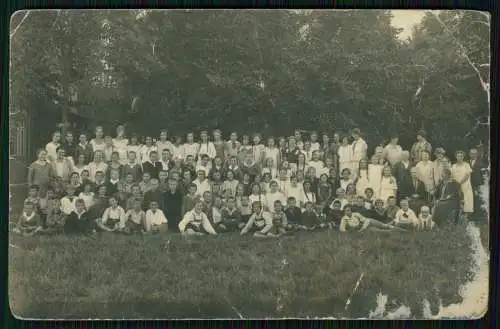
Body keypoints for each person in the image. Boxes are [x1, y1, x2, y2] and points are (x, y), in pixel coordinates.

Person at [451, 151, 474, 218]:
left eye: (461, 156)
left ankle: (467, 215)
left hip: (465, 184)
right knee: (458, 198)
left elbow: (467, 175)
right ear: (456, 157)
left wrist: (460, 182)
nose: (460, 157)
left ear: (463, 157)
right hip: (456, 185)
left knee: (467, 198)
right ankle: (458, 214)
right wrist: (456, 183)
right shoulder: (453, 166)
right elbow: (452, 176)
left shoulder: (466, 165)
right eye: (458, 156)